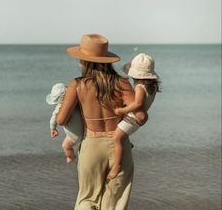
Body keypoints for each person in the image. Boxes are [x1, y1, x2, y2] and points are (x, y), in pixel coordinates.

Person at [55, 34, 148, 210]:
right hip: (119, 146)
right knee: (115, 201)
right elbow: (141, 116)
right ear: (107, 61)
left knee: (87, 199)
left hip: (91, 146)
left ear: (84, 61)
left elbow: (61, 120)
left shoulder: (77, 84)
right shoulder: (122, 83)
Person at [107, 53, 160, 179]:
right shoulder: (151, 87)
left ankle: (117, 166)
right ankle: (126, 142)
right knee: (120, 134)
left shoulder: (140, 87)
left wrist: (122, 110)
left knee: (116, 138)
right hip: (136, 119)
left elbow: (137, 103)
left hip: (132, 118)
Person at [46, 83, 83, 163]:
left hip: (74, 135)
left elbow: (54, 117)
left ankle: (71, 157)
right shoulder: (77, 101)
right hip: (85, 131)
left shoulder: (61, 106)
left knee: (65, 146)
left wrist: (53, 128)